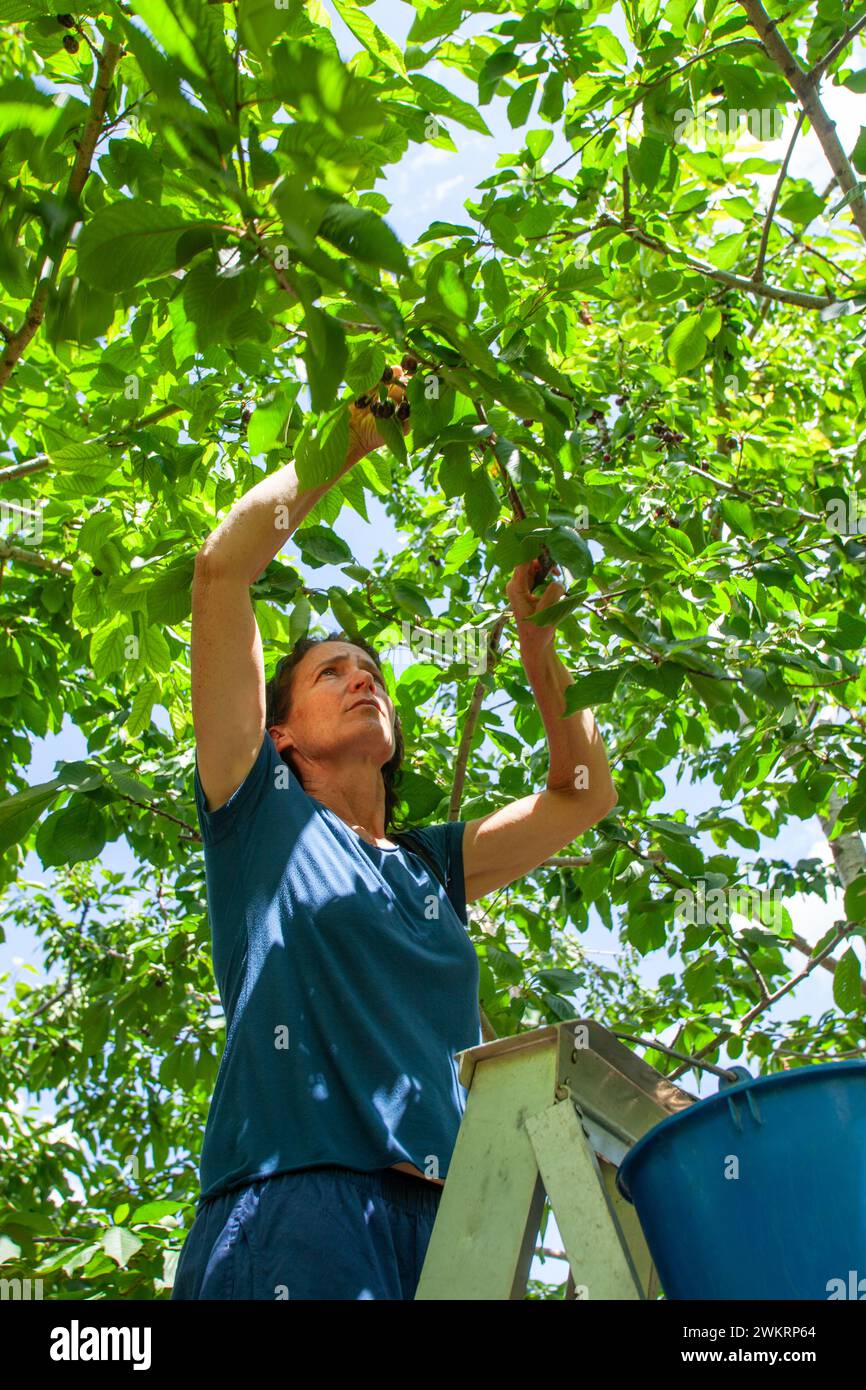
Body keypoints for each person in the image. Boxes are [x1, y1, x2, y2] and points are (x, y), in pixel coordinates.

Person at [171, 363, 618, 1300]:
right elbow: (222, 569)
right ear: (279, 731)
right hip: (296, 1205)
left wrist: (539, 646)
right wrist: (354, 436)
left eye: (371, 671)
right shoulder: (261, 815)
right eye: (331, 672)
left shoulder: (430, 867)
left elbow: (580, 796)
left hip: (458, 1224)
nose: (362, 678)